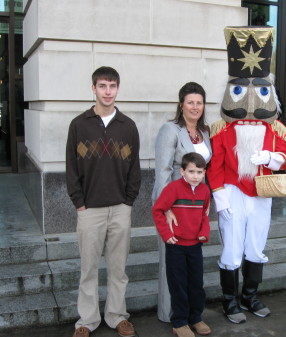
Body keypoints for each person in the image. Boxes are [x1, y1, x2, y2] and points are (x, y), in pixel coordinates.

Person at [207, 26, 286, 324]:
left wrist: (270, 157)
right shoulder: (222, 131)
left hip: (262, 194)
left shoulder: (276, 130)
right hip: (232, 192)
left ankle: (250, 295)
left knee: (256, 245)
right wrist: (220, 197)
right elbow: (215, 165)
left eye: (261, 89)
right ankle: (230, 301)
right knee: (231, 249)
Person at [66, 66, 141, 337]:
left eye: (112, 86)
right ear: (93, 88)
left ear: (118, 88)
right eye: (102, 86)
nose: (107, 91)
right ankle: (86, 320)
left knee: (118, 269)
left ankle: (117, 316)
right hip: (89, 209)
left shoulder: (128, 126)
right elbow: (71, 168)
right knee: (88, 269)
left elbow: (135, 168)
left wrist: (128, 201)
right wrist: (79, 202)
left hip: (120, 208)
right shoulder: (79, 124)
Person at [151, 82, 212, 323]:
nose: (195, 107)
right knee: (172, 264)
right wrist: (165, 209)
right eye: (190, 102)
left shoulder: (204, 133)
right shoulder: (170, 130)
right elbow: (163, 171)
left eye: (199, 102)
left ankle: (191, 314)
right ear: (181, 105)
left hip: (196, 208)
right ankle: (170, 315)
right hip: (175, 208)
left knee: (190, 267)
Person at [152, 152, 211, 337]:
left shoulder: (205, 191)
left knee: (196, 283)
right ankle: (179, 322)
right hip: (176, 245)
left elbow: (204, 215)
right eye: (191, 171)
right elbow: (158, 210)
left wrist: (203, 233)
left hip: (195, 246)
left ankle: (195, 318)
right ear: (182, 171)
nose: (195, 176)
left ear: (204, 172)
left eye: (199, 172)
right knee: (178, 284)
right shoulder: (173, 188)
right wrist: (166, 234)